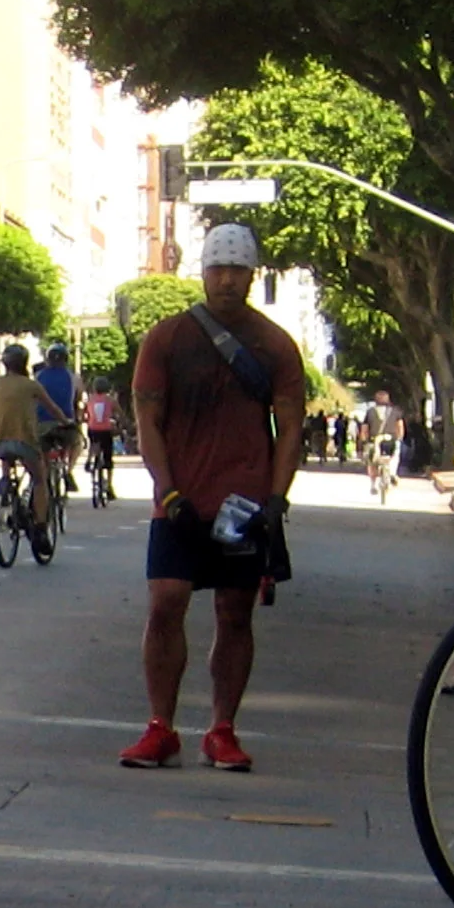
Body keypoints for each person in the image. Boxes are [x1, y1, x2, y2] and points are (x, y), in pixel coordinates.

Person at [118, 223, 304, 774]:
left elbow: (290, 426)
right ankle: (160, 727)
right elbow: (147, 417)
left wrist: (276, 497)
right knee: (166, 602)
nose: (226, 280)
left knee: (235, 612)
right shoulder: (167, 339)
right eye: (217, 269)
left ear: (252, 275)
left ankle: (222, 728)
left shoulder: (275, 346)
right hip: (179, 500)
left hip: (243, 505)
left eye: (237, 270)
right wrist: (165, 488)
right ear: (202, 273)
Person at [0, 345, 69, 541]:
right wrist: (66, 422)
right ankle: (40, 527)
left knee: (6, 454)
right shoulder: (31, 385)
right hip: (23, 441)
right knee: (39, 478)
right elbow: (53, 408)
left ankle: (6, 491)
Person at [34, 341, 80, 491]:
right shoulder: (74, 378)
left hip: (41, 423)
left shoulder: (39, 376)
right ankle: (68, 470)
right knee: (76, 443)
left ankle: (44, 474)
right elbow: (78, 398)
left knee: (41, 449)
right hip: (64, 422)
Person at [81, 374, 124, 492]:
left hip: (92, 429)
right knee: (108, 456)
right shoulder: (111, 400)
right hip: (106, 430)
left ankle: (89, 460)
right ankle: (109, 486)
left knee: (93, 442)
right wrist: (121, 424)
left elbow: (84, 414)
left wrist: (84, 419)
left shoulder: (90, 400)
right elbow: (120, 414)